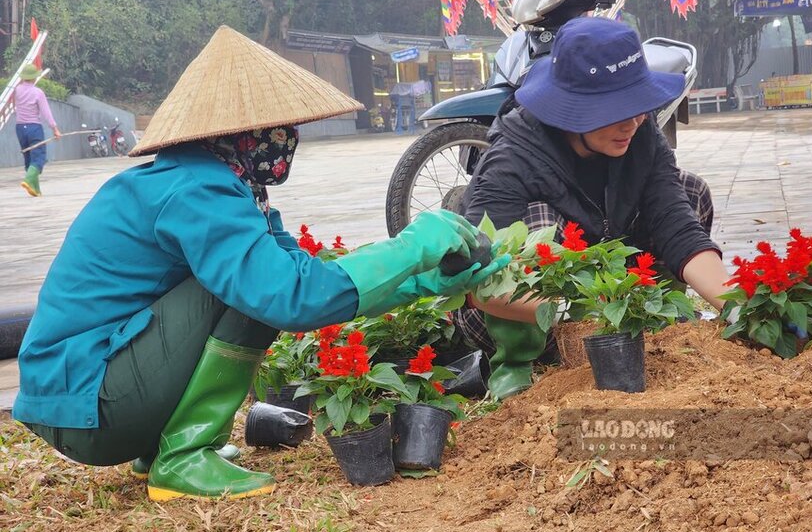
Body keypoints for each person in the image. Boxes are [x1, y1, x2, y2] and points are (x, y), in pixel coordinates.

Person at [12, 26, 509, 502]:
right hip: (89, 405)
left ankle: (163, 445)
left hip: (88, 398)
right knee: (252, 292)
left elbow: (308, 280)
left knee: (262, 277)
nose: (288, 137)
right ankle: (184, 455)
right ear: (241, 132)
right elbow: (289, 296)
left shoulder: (220, 185)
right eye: (277, 126)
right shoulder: (197, 191)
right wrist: (412, 243)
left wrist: (425, 278)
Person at [455, 17, 731, 400]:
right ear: (572, 108)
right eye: (618, 110)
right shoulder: (512, 156)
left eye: (639, 107)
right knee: (540, 225)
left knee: (690, 190)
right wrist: (580, 309)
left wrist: (739, 307)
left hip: (606, 290)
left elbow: (677, 225)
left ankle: (655, 334)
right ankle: (551, 359)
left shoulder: (639, 130)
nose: (634, 122)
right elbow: (477, 284)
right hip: (524, 314)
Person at [14, 63, 62, 197]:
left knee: (29, 158)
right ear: (35, 78)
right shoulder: (38, 93)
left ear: (23, 77)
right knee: (39, 156)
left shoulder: (17, 90)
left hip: (20, 128)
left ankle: (35, 189)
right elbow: (46, 112)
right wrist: (55, 129)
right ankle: (28, 180)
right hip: (34, 128)